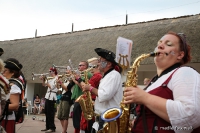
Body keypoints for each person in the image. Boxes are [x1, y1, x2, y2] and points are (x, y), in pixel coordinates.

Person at [124, 31, 200, 133]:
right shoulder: (154, 81)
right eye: (159, 43)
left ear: (180, 55)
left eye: (168, 44)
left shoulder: (185, 72)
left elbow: (191, 115)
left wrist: (144, 97)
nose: (160, 46)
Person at [82, 48, 123, 132]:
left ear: (108, 64)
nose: (98, 63)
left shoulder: (113, 75)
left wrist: (90, 88)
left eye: (100, 60)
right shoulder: (107, 76)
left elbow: (105, 95)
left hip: (108, 118)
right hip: (102, 117)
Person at [79, 57, 102, 133]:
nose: (90, 68)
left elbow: (86, 87)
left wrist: (78, 80)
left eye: (91, 66)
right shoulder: (94, 75)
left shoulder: (97, 76)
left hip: (92, 100)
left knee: (89, 125)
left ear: (95, 66)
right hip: (90, 100)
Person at [1, 58, 23, 133]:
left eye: (5, 70)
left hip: (7, 118)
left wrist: (1, 107)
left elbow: (15, 105)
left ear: (12, 73)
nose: (3, 72)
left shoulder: (14, 85)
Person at [71, 61, 92, 133]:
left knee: (79, 120)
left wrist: (77, 80)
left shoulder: (87, 74)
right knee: (76, 119)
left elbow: (83, 88)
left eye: (80, 65)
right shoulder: (81, 74)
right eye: (79, 65)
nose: (79, 67)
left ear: (85, 66)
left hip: (82, 98)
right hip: (77, 98)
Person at [40, 67, 58, 133]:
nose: (49, 73)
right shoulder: (50, 78)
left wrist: (46, 80)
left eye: (50, 71)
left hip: (52, 97)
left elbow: (51, 87)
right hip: (48, 96)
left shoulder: (56, 78)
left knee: (51, 113)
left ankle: (52, 127)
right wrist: (43, 80)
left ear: (53, 71)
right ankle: (47, 127)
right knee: (46, 112)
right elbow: (43, 85)